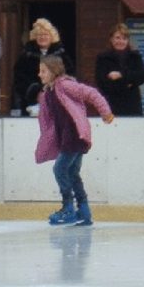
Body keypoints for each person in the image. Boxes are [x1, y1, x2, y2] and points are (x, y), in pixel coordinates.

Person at [35, 55, 114, 227]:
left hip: (75, 135)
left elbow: (91, 93)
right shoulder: (47, 93)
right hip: (68, 137)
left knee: (60, 169)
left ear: (54, 71)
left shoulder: (65, 85)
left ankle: (68, 207)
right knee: (72, 173)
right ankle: (84, 211)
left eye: (43, 71)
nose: (39, 74)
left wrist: (105, 112)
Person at [13, 18, 69, 116]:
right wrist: (34, 92)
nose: (43, 37)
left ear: (52, 36)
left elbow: (69, 75)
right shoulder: (25, 56)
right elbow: (19, 79)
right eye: (40, 35)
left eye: (46, 34)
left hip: (57, 101)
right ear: (35, 37)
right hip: (30, 103)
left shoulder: (62, 55)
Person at [94, 24, 144, 116]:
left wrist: (121, 75)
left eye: (124, 38)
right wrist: (129, 83)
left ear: (128, 40)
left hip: (133, 105)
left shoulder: (135, 56)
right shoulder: (102, 58)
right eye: (117, 38)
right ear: (111, 39)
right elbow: (101, 82)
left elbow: (142, 76)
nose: (121, 41)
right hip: (111, 105)